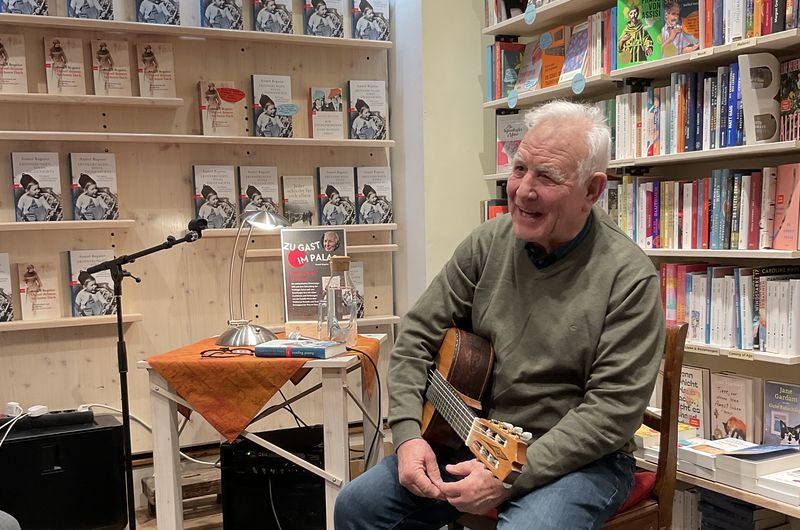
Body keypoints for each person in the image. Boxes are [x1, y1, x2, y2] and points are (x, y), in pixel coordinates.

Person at [334, 101, 665, 529]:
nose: (524, 189)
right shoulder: (487, 243)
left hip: (580, 461)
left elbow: (611, 412)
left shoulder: (629, 277)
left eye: (546, 177)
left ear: (592, 190)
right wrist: (408, 436)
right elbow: (416, 336)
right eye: (520, 169)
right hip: (471, 439)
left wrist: (509, 473)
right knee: (357, 507)